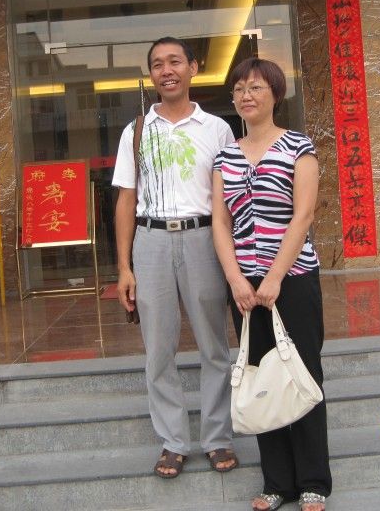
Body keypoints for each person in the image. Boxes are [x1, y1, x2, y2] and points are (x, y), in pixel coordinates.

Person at [112, 36, 239, 478]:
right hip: (150, 241)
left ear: (193, 67)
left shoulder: (217, 129)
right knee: (158, 349)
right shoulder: (136, 131)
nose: (166, 71)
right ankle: (173, 441)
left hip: (204, 238)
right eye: (157, 64)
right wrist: (124, 266)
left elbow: (227, 200)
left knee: (214, 345)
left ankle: (218, 437)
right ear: (151, 75)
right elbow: (126, 200)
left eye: (175, 62)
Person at [212, 58, 331, 511]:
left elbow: (304, 214)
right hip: (245, 286)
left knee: (302, 372)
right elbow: (220, 223)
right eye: (240, 88)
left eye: (256, 87)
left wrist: (276, 276)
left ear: (275, 95)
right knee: (261, 376)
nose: (246, 95)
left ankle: (314, 481)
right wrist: (236, 280)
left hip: (293, 278)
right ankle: (277, 482)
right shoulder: (224, 157)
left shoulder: (298, 146)